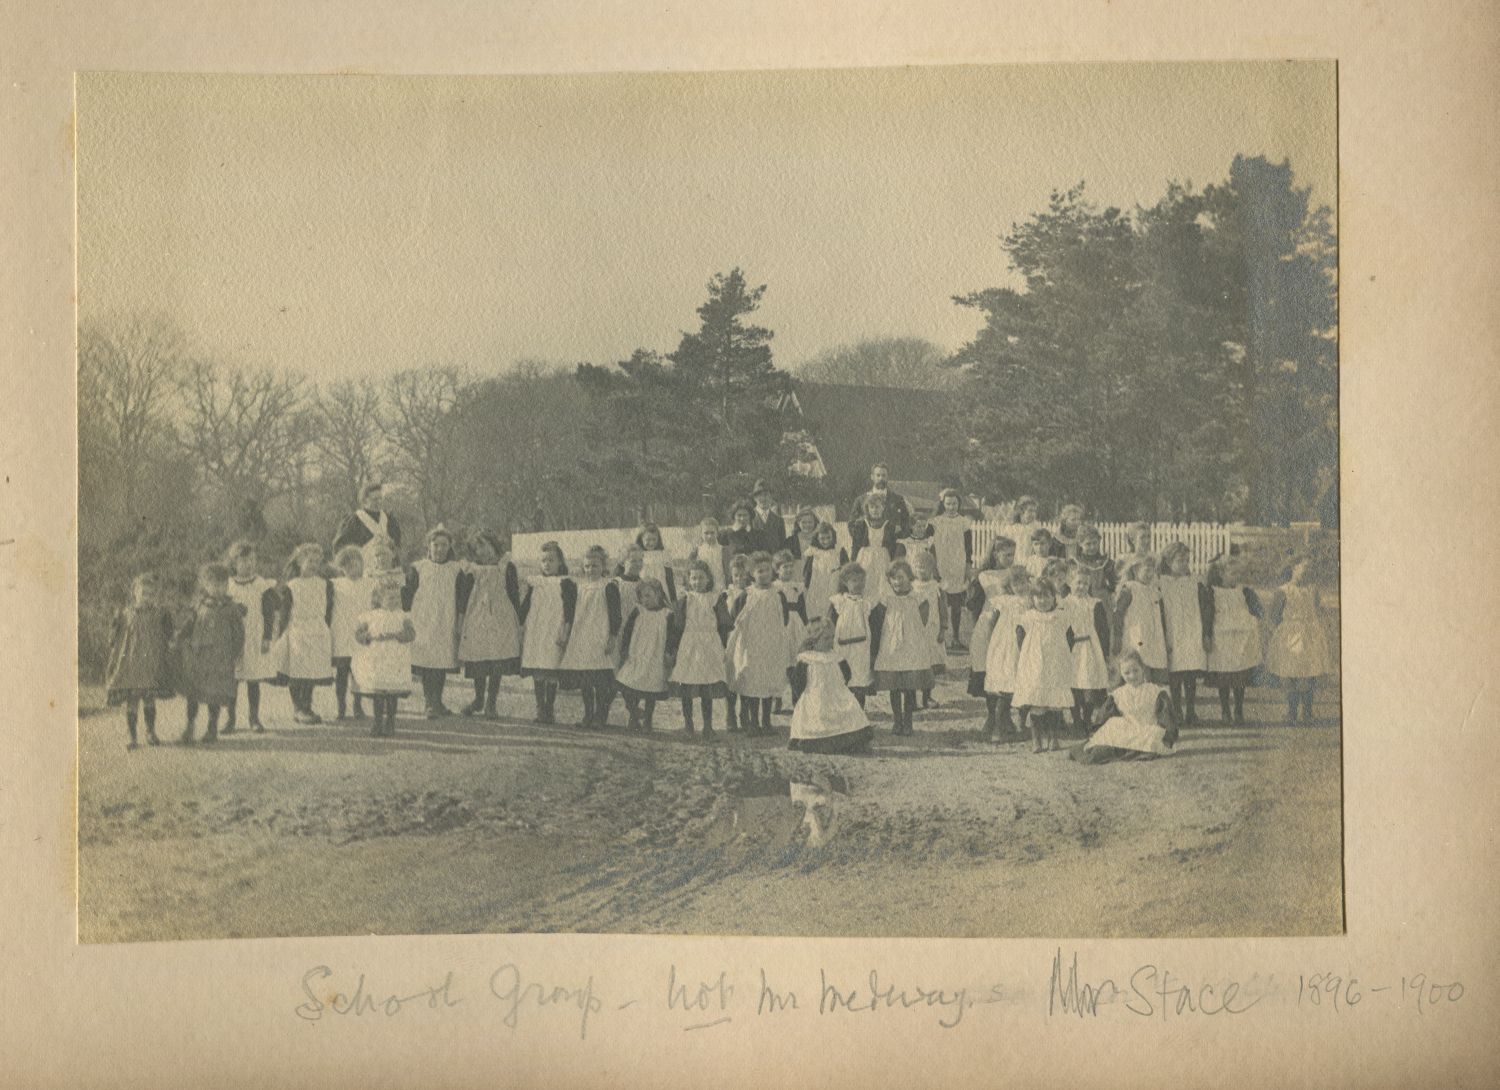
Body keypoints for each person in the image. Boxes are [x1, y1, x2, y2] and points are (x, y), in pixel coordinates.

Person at [174, 562, 244, 746]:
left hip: (221, 659)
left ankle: (212, 728)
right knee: (194, 693)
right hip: (199, 658)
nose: (219, 588)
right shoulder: (198, 605)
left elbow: (239, 633)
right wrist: (178, 638)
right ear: (205, 584)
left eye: (223, 584)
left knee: (215, 694)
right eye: (215, 584)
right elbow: (189, 625)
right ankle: (189, 727)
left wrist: (236, 653)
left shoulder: (231, 608)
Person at [456, 529, 522, 719]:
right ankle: (478, 699)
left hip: (501, 617)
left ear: (493, 545)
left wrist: (519, 621)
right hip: (476, 617)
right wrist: (461, 620)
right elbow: (463, 596)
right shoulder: (471, 569)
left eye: (484, 546)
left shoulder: (506, 566)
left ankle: (491, 702)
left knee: (496, 658)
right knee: (479, 657)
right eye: (476, 549)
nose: (481, 552)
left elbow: (514, 593)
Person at [1070, 649, 1179, 764]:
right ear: (1121, 673)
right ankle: (1127, 750)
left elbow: (1166, 719)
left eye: (1135, 670)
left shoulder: (1155, 692)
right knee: (1113, 725)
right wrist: (1097, 733)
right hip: (1127, 731)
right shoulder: (1118, 694)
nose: (1132, 676)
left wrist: (1168, 737)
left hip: (1147, 730)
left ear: (1142, 668)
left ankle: (1127, 749)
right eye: (1127, 673)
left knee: (1154, 736)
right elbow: (1104, 718)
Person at [104, 572, 175, 749]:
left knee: (149, 699)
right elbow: (116, 638)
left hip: (150, 664)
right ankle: (132, 735)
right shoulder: (126, 614)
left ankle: (150, 732)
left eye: (151, 594)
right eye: (144, 593)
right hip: (131, 665)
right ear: (135, 593)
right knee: (133, 700)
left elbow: (167, 634)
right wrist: (113, 631)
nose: (147, 598)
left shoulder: (158, 614)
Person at [729, 551, 795, 735]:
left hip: (771, 645)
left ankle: (766, 721)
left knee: (768, 682)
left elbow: (785, 618)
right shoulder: (746, 595)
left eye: (766, 570)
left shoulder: (778, 595)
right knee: (752, 681)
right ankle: (752, 722)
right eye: (759, 571)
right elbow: (734, 617)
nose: (763, 574)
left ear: (772, 571)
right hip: (752, 646)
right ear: (752, 573)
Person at [558, 544, 624, 729]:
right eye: (587, 566)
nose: (590, 570)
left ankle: (600, 716)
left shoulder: (608, 586)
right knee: (585, 679)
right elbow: (571, 612)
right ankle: (587, 714)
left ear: (603, 566)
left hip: (600, 636)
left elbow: (615, 614)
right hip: (582, 636)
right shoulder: (580, 587)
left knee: (600, 678)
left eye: (595, 565)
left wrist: (612, 636)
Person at [668, 559, 732, 740]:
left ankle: (708, 726)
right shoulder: (684, 600)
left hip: (709, 644)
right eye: (693, 578)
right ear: (688, 580)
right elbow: (677, 627)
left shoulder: (716, 598)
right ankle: (688, 724)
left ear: (708, 579)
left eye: (701, 578)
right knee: (687, 684)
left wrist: (723, 646)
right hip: (689, 644)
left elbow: (723, 624)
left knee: (707, 685)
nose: (697, 582)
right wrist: (673, 649)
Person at [403, 525, 463, 719]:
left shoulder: (456, 569)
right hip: (423, 620)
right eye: (435, 545)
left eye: (444, 545)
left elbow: (461, 598)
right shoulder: (418, 568)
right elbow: (407, 596)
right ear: (428, 546)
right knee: (427, 663)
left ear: (449, 547)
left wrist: (459, 622)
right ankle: (429, 703)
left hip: (445, 620)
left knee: (441, 662)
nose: (439, 549)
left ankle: (438, 701)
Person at [869, 559, 935, 737]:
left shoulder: (918, 598)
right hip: (891, 646)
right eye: (893, 578)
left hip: (912, 647)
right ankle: (897, 721)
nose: (897, 582)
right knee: (895, 686)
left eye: (901, 577)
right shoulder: (885, 600)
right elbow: (878, 622)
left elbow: (924, 621)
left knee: (909, 686)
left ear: (909, 577)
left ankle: (908, 722)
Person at [274, 542, 336, 725]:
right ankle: (298, 707)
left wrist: (326, 628)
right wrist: (280, 634)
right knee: (297, 669)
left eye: (317, 562)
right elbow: (285, 613)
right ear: (299, 562)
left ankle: (307, 706)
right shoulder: (292, 586)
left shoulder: (324, 585)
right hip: (298, 630)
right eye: (310, 561)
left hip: (317, 630)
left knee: (311, 671)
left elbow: (329, 609)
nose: (314, 565)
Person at [788, 621, 872, 754]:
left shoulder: (836, 658)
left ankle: (845, 739)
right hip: (816, 699)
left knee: (850, 711)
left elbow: (847, 675)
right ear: (813, 640)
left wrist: (837, 688)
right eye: (826, 638)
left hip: (836, 695)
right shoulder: (806, 660)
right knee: (817, 716)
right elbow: (797, 684)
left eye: (832, 637)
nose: (831, 641)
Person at [1266, 555, 1332, 724]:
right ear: (1294, 568)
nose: (1307, 570)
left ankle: (1308, 713)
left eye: (1309, 567)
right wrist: (1281, 635)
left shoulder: (1312, 590)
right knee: (1290, 673)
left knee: (1308, 673)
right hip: (1290, 635)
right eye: (1304, 566)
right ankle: (1292, 712)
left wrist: (1315, 629)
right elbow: (1273, 616)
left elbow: (1317, 610)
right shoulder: (1283, 591)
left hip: (1310, 634)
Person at [1013, 579, 1076, 753]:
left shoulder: (1061, 616)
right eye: (1038, 597)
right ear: (1032, 599)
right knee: (1037, 701)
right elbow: (1019, 637)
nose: (1043, 601)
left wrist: (1062, 654)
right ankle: (1036, 740)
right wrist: (1028, 655)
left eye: (1047, 596)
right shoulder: (1028, 617)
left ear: (1054, 598)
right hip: (1034, 664)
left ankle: (1053, 738)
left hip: (1055, 663)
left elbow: (1070, 637)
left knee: (1054, 702)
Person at [224, 540, 279, 733]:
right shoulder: (228, 585)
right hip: (234, 639)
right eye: (243, 560)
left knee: (253, 680)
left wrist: (266, 637)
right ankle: (230, 720)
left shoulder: (262, 585)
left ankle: (254, 718)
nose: (248, 564)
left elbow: (269, 613)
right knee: (233, 679)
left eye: (252, 560)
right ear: (234, 563)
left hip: (254, 636)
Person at [518, 541, 575, 725]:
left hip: (554, 630)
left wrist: (565, 631)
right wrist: (519, 624)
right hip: (537, 631)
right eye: (543, 561)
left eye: (551, 560)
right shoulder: (535, 582)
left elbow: (569, 611)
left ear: (560, 562)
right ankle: (540, 707)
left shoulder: (565, 583)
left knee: (551, 669)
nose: (547, 564)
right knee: (538, 669)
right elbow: (525, 606)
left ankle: (549, 707)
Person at [1157, 541, 1213, 726]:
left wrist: (1205, 633)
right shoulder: (1162, 583)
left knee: (1190, 673)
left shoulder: (1194, 581)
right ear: (1169, 561)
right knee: (1175, 675)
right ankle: (1177, 711)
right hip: (1174, 632)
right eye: (1180, 560)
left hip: (1191, 630)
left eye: (1187, 560)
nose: (1184, 564)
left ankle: (1190, 710)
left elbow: (1205, 607)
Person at [965, 536, 1017, 734]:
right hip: (990, 620)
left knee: (1008, 666)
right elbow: (976, 602)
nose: (1010, 559)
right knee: (988, 668)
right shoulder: (986, 575)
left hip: (1009, 620)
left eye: (1012, 555)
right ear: (995, 554)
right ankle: (991, 716)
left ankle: (1005, 716)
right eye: (1006, 555)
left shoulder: (1016, 572)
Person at [353, 576, 416, 738]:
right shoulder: (370, 616)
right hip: (377, 659)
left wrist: (398, 635)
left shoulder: (403, 616)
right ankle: (377, 721)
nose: (395, 601)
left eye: (397, 597)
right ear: (379, 599)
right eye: (390, 598)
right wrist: (368, 636)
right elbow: (358, 634)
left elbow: (411, 634)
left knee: (392, 694)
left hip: (395, 659)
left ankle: (390, 722)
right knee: (379, 694)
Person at [1204, 554, 1263, 724]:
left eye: (1238, 573)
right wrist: (1207, 635)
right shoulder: (1212, 592)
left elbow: (1258, 611)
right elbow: (1208, 615)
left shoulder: (1244, 591)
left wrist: (1253, 619)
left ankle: (1238, 710)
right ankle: (1225, 710)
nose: (1236, 577)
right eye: (1232, 573)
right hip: (1222, 638)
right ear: (1221, 574)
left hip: (1242, 638)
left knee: (1239, 675)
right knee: (1224, 676)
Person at [615, 576, 674, 732]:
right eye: (641, 596)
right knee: (626, 682)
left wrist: (669, 652)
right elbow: (627, 631)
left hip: (655, 656)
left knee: (650, 689)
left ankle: (647, 719)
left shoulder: (667, 614)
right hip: (636, 654)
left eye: (648, 596)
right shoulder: (638, 610)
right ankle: (634, 712)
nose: (644, 600)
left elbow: (671, 636)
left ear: (659, 595)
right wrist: (624, 649)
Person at [982, 565, 1032, 741]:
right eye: (1015, 584)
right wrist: (992, 644)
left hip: (1026, 643)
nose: (1020, 587)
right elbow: (991, 623)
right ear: (1009, 586)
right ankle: (998, 726)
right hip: (1005, 645)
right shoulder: (1004, 601)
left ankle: (1020, 721)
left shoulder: (1031, 600)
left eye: (1023, 582)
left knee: (1025, 682)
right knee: (1005, 683)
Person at [1063, 559, 1111, 731]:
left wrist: (1104, 651)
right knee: (1073, 684)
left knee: (1089, 684)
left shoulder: (1094, 604)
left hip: (1090, 648)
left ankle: (1087, 717)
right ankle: (1076, 720)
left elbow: (1103, 629)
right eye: (1078, 582)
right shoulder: (1064, 603)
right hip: (1071, 648)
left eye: (1085, 583)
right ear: (1069, 582)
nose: (1082, 586)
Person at [329, 545, 372, 722]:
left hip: (360, 634)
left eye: (355, 564)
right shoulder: (335, 584)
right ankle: (341, 705)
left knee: (358, 674)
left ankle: (358, 705)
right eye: (347, 566)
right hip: (341, 634)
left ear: (362, 564)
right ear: (341, 568)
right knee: (341, 673)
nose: (352, 569)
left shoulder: (369, 583)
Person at [1112, 556, 1169, 683]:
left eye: (1152, 570)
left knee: (1153, 668)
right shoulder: (1130, 588)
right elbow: (1118, 614)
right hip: (1136, 636)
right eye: (1146, 570)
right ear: (1136, 570)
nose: (1150, 574)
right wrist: (1117, 636)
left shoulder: (1154, 590)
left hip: (1153, 637)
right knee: (1138, 666)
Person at [826, 562, 875, 708]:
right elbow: (829, 624)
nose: (859, 584)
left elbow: (874, 626)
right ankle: (843, 713)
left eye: (861, 580)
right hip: (842, 646)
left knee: (859, 679)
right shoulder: (838, 601)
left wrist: (873, 649)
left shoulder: (867, 603)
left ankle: (859, 714)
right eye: (854, 580)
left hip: (861, 647)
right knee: (842, 677)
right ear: (845, 583)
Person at [930, 488, 973, 651]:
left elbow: (969, 549)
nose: (951, 507)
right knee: (940, 602)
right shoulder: (935, 522)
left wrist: (968, 567)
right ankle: (939, 638)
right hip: (941, 565)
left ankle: (955, 637)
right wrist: (933, 566)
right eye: (948, 503)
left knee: (956, 604)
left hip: (958, 565)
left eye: (954, 503)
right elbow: (930, 545)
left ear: (959, 504)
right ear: (943, 504)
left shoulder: (964, 522)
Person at [909, 550, 946, 708]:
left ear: (932, 568)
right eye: (917, 567)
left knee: (930, 663)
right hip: (915, 631)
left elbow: (943, 609)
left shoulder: (936, 587)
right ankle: (912, 699)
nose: (920, 570)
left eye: (924, 567)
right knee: (915, 662)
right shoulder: (911, 588)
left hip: (932, 630)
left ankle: (927, 697)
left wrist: (943, 628)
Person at [773, 550, 810, 709]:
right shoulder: (774, 587)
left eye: (790, 567)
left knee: (796, 660)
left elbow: (802, 609)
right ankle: (777, 697)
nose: (787, 570)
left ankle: (797, 696)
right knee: (780, 660)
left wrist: (806, 625)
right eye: (784, 567)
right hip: (780, 624)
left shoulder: (798, 587)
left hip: (796, 625)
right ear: (777, 569)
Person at [722, 553, 753, 730]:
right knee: (731, 675)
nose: (740, 578)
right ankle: (730, 714)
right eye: (736, 575)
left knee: (746, 674)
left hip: (748, 639)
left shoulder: (752, 593)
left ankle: (745, 713)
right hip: (731, 638)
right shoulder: (726, 594)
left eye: (743, 575)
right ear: (731, 576)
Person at [849, 492, 900, 595]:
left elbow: (893, 547)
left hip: (883, 558)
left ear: (883, 507)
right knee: (866, 585)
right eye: (871, 507)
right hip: (865, 558)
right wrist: (853, 564)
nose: (875, 510)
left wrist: (894, 564)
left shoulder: (889, 525)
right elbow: (856, 545)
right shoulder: (861, 525)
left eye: (877, 507)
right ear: (867, 509)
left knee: (882, 587)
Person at [332, 480, 402, 555]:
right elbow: (339, 547)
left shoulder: (389, 520)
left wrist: (391, 544)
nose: (379, 502)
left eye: (380, 498)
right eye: (375, 499)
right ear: (365, 501)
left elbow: (397, 545)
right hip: (363, 564)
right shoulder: (354, 520)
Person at [800, 520, 847, 625]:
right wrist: (806, 587)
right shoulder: (814, 552)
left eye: (828, 538)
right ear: (817, 538)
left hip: (833, 587)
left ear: (833, 537)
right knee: (815, 612)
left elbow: (845, 570)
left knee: (832, 613)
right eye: (822, 538)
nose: (825, 541)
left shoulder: (838, 551)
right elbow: (807, 572)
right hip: (817, 586)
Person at [850, 463, 910, 536]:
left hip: (892, 544)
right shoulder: (861, 500)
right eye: (878, 475)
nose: (881, 478)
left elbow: (906, 523)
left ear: (888, 477)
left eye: (884, 475)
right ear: (872, 477)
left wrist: (895, 538)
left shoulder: (898, 500)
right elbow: (852, 524)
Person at [634, 523, 679, 601]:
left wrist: (673, 598)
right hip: (644, 589)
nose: (651, 543)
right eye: (648, 540)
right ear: (641, 539)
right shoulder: (638, 554)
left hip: (661, 590)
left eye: (654, 539)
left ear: (658, 539)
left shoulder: (664, 554)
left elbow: (669, 578)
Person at [1073, 524, 1118, 603]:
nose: (1092, 547)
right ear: (1080, 543)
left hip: (1101, 602)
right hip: (1081, 602)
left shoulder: (1106, 563)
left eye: (1095, 543)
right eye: (1088, 544)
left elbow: (1114, 585)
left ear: (1099, 541)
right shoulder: (1075, 562)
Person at [749, 480, 789, 555]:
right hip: (756, 563)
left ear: (771, 497)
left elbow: (782, 547)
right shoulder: (749, 518)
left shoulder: (779, 520)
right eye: (760, 495)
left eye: (766, 495)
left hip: (774, 563)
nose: (763, 499)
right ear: (755, 498)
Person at [692, 517, 731, 590]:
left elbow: (728, 573)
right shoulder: (697, 550)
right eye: (706, 533)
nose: (709, 536)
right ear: (701, 533)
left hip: (720, 588)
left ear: (717, 533)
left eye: (712, 533)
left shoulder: (723, 550)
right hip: (702, 589)